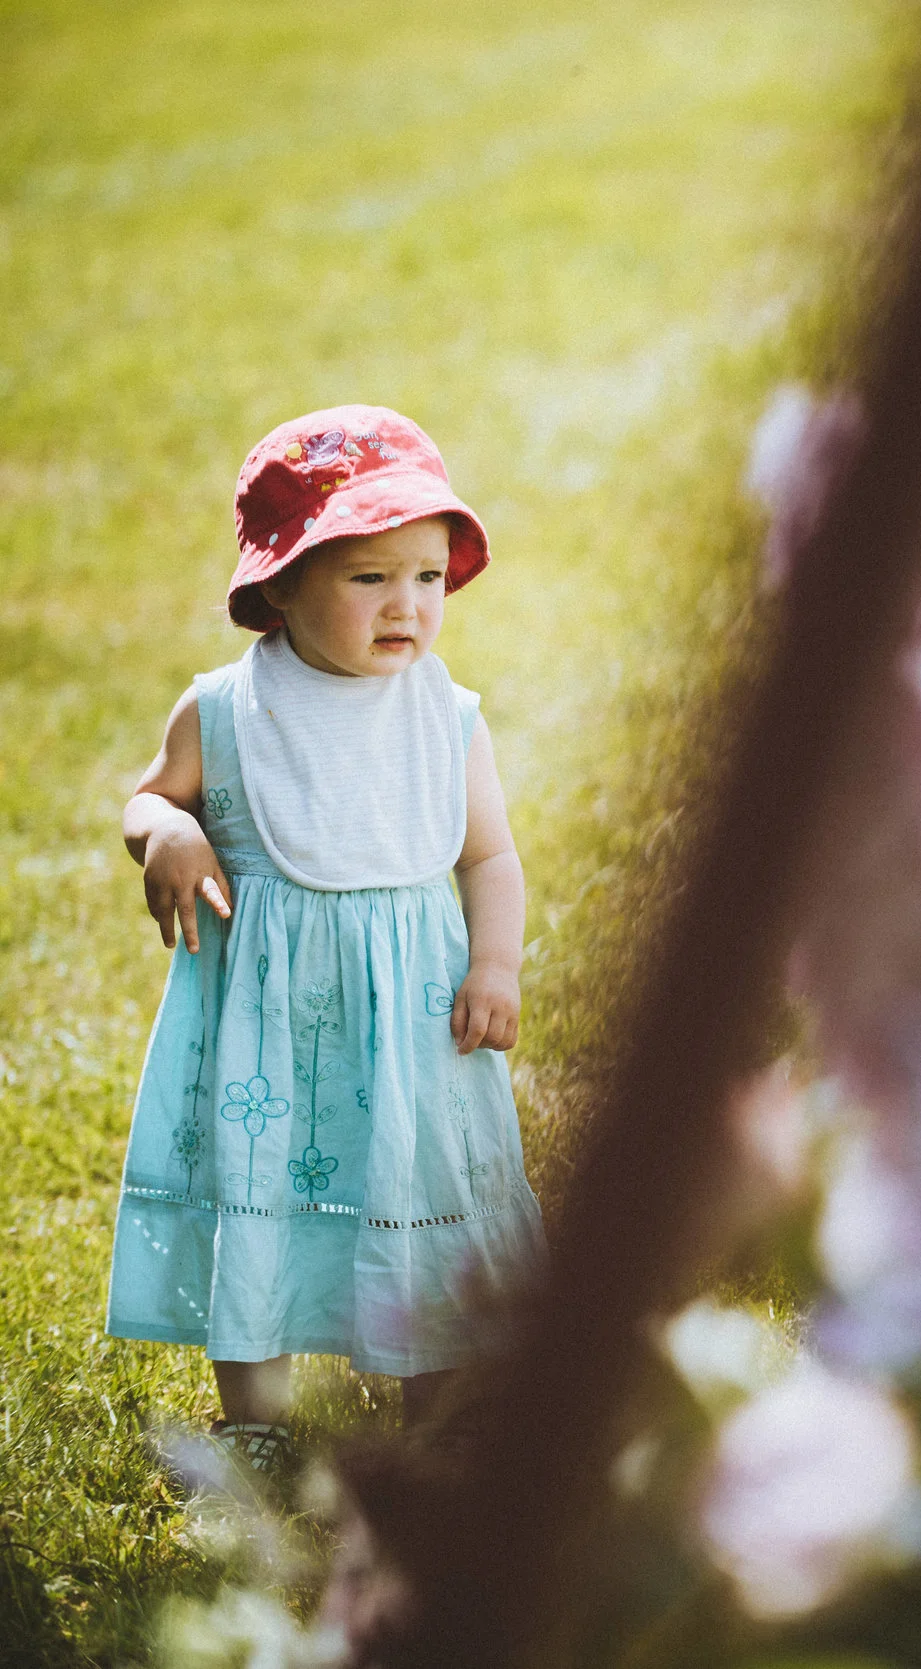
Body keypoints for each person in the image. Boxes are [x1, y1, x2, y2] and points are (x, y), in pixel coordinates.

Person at [104, 406, 544, 1476]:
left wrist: (494, 962)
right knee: (256, 1198)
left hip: (413, 1025)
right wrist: (165, 830)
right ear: (282, 585)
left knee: (420, 1192)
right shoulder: (225, 711)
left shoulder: (447, 718)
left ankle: (436, 1417)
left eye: (429, 576)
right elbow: (148, 800)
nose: (409, 604)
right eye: (368, 578)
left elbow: (488, 857)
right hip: (265, 1026)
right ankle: (253, 1421)